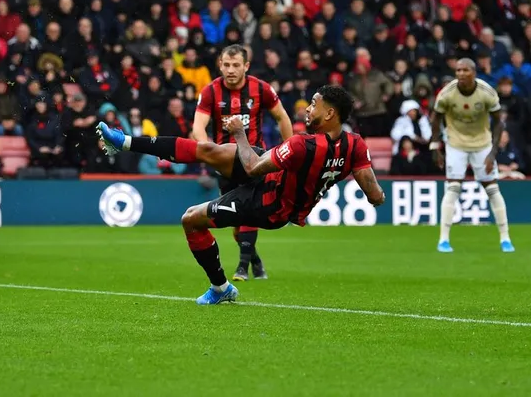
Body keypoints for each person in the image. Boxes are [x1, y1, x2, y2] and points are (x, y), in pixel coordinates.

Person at [97, 85, 385, 304]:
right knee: (209, 150)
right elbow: (375, 196)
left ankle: (221, 288)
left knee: (190, 219)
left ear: (330, 114)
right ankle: (124, 142)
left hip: (269, 204)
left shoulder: (302, 144)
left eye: (313, 104)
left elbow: (253, 167)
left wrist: (238, 132)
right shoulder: (355, 145)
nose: (307, 109)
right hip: (276, 178)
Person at [192, 44, 294, 281]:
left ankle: (242, 267)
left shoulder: (262, 89)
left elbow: (282, 117)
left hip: (254, 162)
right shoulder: (210, 92)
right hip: (225, 164)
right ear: (220, 65)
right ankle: (255, 259)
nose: (230, 70)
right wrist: (209, 152)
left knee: (249, 211)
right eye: (226, 65)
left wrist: (290, 151)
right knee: (235, 219)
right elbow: (198, 127)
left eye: (236, 65)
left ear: (246, 66)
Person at [429, 58, 514, 253]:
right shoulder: (447, 93)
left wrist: (493, 153)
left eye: (464, 70)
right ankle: (443, 240)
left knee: (492, 189)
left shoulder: (486, 92)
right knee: (453, 188)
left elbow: (499, 122)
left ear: (473, 72)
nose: (460, 74)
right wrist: (435, 146)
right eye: (458, 70)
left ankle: (505, 238)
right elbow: (436, 118)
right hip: (456, 144)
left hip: (481, 144)